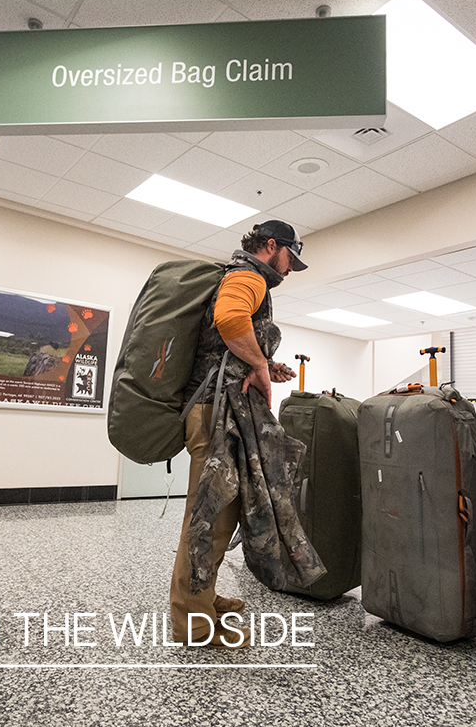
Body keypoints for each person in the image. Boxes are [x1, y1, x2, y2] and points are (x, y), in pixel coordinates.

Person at [169, 219, 307, 649]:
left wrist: (261, 364)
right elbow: (229, 319)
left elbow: (225, 343)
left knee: (221, 514)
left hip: (220, 409)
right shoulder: (248, 277)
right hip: (214, 414)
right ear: (272, 246)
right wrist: (261, 366)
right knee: (207, 518)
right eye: (289, 258)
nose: (289, 269)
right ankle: (192, 623)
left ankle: (203, 598)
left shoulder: (243, 277)